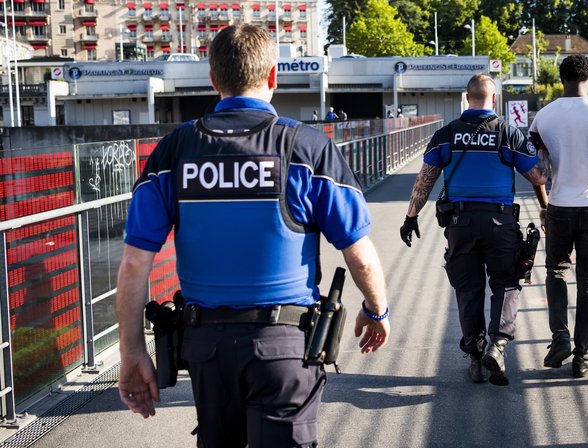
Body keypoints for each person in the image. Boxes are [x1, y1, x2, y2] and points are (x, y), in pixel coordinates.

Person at [115, 24, 391, 448]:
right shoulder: (308, 147)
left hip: (204, 348)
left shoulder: (174, 150)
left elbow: (135, 262)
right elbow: (360, 254)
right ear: (273, 76)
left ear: (213, 79)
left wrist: (132, 354)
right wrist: (376, 310)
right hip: (284, 346)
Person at [399, 73, 548, 386]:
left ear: (467, 99)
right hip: (500, 222)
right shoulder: (508, 133)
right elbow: (537, 177)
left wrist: (411, 216)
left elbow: (425, 178)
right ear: (493, 99)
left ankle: (476, 359)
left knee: (468, 290)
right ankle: (498, 343)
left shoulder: (447, 134)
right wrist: (543, 151)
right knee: (506, 283)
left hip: (459, 224)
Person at [528, 55, 588, 378]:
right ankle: (582, 357)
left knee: (556, 272)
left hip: (559, 207)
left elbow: (537, 172)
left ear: (561, 79)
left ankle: (560, 337)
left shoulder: (542, 117)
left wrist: (544, 205)